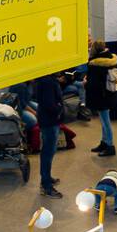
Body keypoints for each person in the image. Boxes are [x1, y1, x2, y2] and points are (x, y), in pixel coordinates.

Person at [85, 38, 117, 157]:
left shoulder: (95, 64)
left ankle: (110, 145)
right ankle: (104, 142)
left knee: (105, 122)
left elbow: (93, 83)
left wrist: (86, 82)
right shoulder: (111, 59)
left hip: (101, 97)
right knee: (104, 120)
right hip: (110, 93)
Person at [33, 71, 65, 199]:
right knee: (48, 152)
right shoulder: (47, 82)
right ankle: (46, 185)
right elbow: (49, 104)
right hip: (49, 121)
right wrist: (59, 109)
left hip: (49, 120)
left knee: (49, 151)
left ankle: (46, 178)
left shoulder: (47, 80)